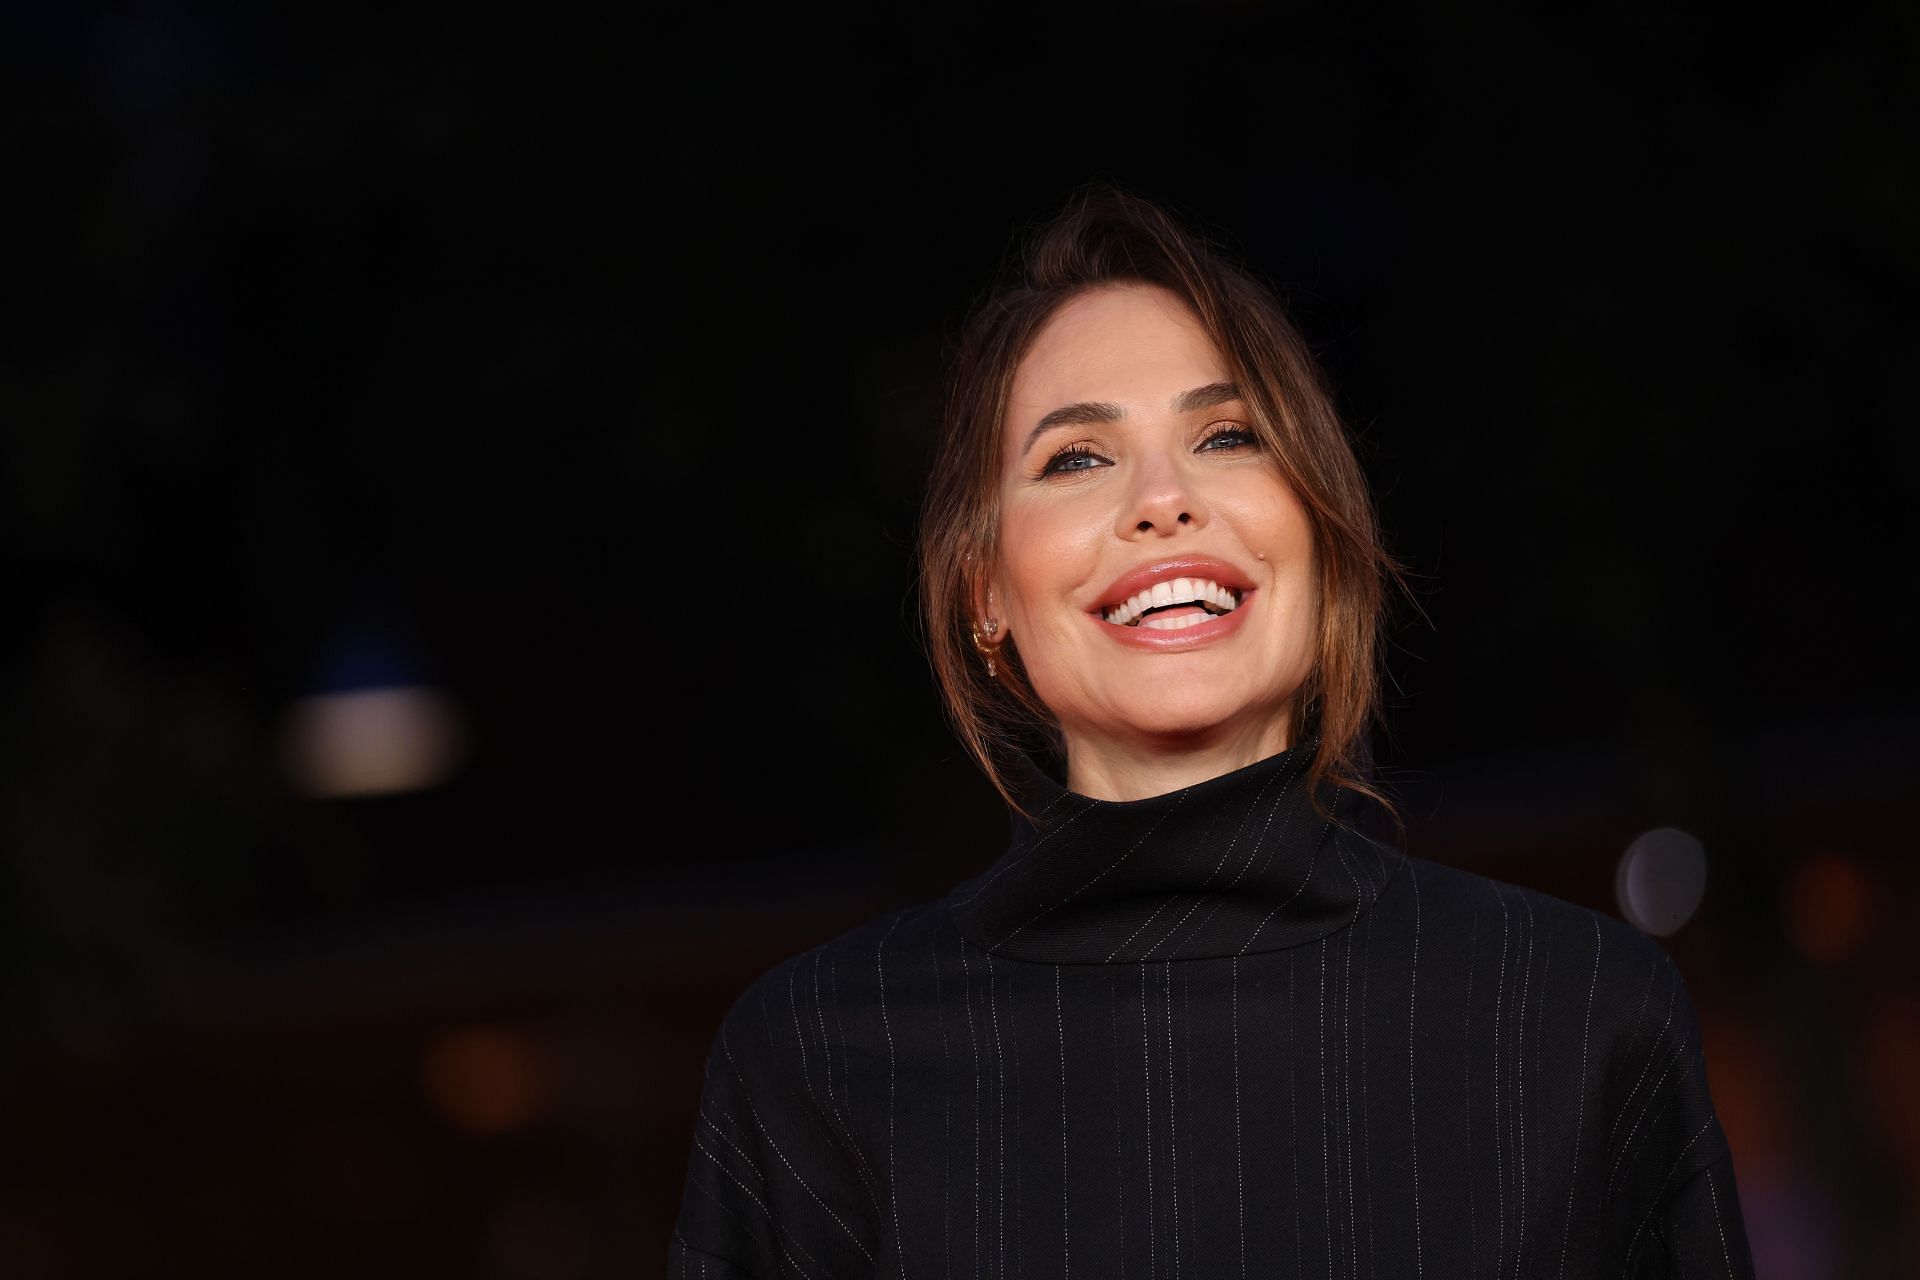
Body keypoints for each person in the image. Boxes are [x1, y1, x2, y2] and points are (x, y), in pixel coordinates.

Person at [668, 185, 1755, 1278]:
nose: (1162, 499)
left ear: (1320, 531)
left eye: (1227, 435)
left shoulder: (1578, 1016)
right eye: (1077, 457)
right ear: (983, 588)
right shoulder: (815, 1062)